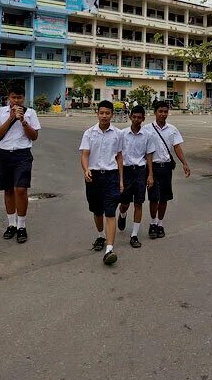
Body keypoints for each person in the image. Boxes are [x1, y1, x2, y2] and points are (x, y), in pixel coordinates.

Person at [0, 85, 41, 244]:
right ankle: (11, 224)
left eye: (19, 98)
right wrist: (11, 118)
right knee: (8, 190)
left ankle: (21, 226)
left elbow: (34, 137)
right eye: (13, 97)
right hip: (3, 154)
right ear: (8, 98)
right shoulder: (0, 112)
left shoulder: (31, 113)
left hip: (22, 154)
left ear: (24, 98)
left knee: (21, 189)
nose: (16, 101)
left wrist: (23, 122)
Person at [79, 101, 124, 266]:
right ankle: (100, 236)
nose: (104, 116)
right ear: (97, 113)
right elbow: (85, 154)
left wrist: (120, 180)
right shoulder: (89, 133)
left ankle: (109, 249)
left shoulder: (118, 134)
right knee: (97, 211)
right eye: (101, 113)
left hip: (111, 176)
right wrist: (85, 169)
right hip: (94, 176)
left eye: (107, 113)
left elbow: (119, 157)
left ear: (112, 114)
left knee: (110, 212)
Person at [144, 101, 191, 239]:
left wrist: (184, 163)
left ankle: (160, 224)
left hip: (166, 169)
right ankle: (152, 224)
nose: (163, 114)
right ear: (155, 112)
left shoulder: (172, 129)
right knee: (153, 198)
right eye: (160, 111)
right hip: (152, 168)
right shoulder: (147, 129)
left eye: (165, 111)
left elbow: (177, 147)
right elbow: (147, 152)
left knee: (164, 198)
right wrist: (149, 174)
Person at [116, 105, 155, 249]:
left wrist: (150, 175)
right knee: (125, 202)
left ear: (143, 119)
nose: (137, 119)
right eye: (135, 117)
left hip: (140, 171)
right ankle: (123, 213)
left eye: (140, 117)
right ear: (130, 117)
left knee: (139, 203)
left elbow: (149, 155)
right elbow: (118, 154)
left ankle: (134, 235)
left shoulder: (148, 136)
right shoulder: (122, 134)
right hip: (126, 171)